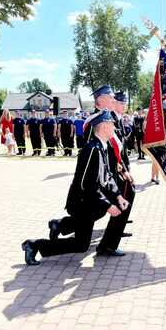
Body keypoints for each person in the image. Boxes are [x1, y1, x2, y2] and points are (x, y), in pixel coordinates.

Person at [21, 111, 130, 265]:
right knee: (81, 245)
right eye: (112, 124)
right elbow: (87, 185)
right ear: (104, 126)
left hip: (91, 202)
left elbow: (107, 177)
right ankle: (34, 245)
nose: (114, 128)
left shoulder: (102, 146)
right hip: (82, 203)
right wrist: (108, 205)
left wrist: (118, 196)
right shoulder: (92, 149)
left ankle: (59, 224)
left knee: (97, 216)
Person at [96, 90, 136, 255]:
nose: (122, 104)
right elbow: (108, 150)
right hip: (110, 173)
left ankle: (111, 240)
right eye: (114, 100)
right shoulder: (103, 119)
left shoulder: (116, 119)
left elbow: (121, 149)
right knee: (121, 201)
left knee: (98, 210)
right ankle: (108, 244)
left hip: (116, 170)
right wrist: (122, 170)